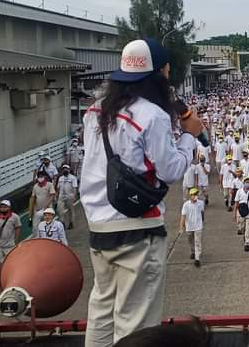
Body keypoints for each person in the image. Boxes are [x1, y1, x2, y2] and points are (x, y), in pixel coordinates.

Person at [81, 38, 202, 347]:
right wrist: (190, 137)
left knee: (102, 312)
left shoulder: (96, 111)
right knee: (135, 324)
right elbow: (171, 170)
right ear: (159, 74)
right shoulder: (152, 115)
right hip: (137, 227)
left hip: (99, 225)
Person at [0, 200, 21, 270]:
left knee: (11, 263)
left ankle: (6, 274)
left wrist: (15, 241)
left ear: (9, 207)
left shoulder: (15, 217)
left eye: (5, 207)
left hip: (9, 245)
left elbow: (17, 228)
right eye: (1, 207)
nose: (3, 208)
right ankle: (2, 272)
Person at [180, 189, 205, 267]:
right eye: (193, 194)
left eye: (196, 194)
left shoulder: (201, 203)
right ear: (190, 195)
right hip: (189, 227)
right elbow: (183, 216)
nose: (195, 196)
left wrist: (202, 221)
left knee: (198, 242)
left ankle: (197, 259)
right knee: (190, 240)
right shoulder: (186, 205)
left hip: (198, 226)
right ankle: (193, 251)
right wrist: (181, 227)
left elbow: (202, 212)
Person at [233, 177, 249, 251]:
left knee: (248, 228)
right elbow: (236, 203)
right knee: (242, 227)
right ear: (243, 183)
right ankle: (245, 235)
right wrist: (234, 213)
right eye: (246, 182)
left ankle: (247, 242)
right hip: (241, 212)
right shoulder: (239, 191)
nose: (248, 184)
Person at [56, 165, 79, 229]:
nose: (65, 170)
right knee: (59, 210)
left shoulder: (73, 178)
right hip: (61, 196)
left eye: (66, 169)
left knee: (70, 211)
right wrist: (57, 196)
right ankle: (62, 223)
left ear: (69, 170)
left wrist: (74, 196)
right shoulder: (60, 178)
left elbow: (75, 188)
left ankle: (71, 223)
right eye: (63, 169)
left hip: (69, 196)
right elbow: (58, 188)